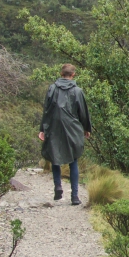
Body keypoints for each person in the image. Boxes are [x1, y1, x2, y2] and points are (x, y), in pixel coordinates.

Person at [39, 63, 92, 205]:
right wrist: (87, 128)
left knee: (55, 156)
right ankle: (74, 196)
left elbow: (46, 110)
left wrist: (42, 129)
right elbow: (83, 112)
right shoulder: (78, 91)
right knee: (73, 159)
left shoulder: (52, 89)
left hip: (54, 127)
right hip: (72, 128)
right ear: (73, 74)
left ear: (61, 74)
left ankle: (58, 187)